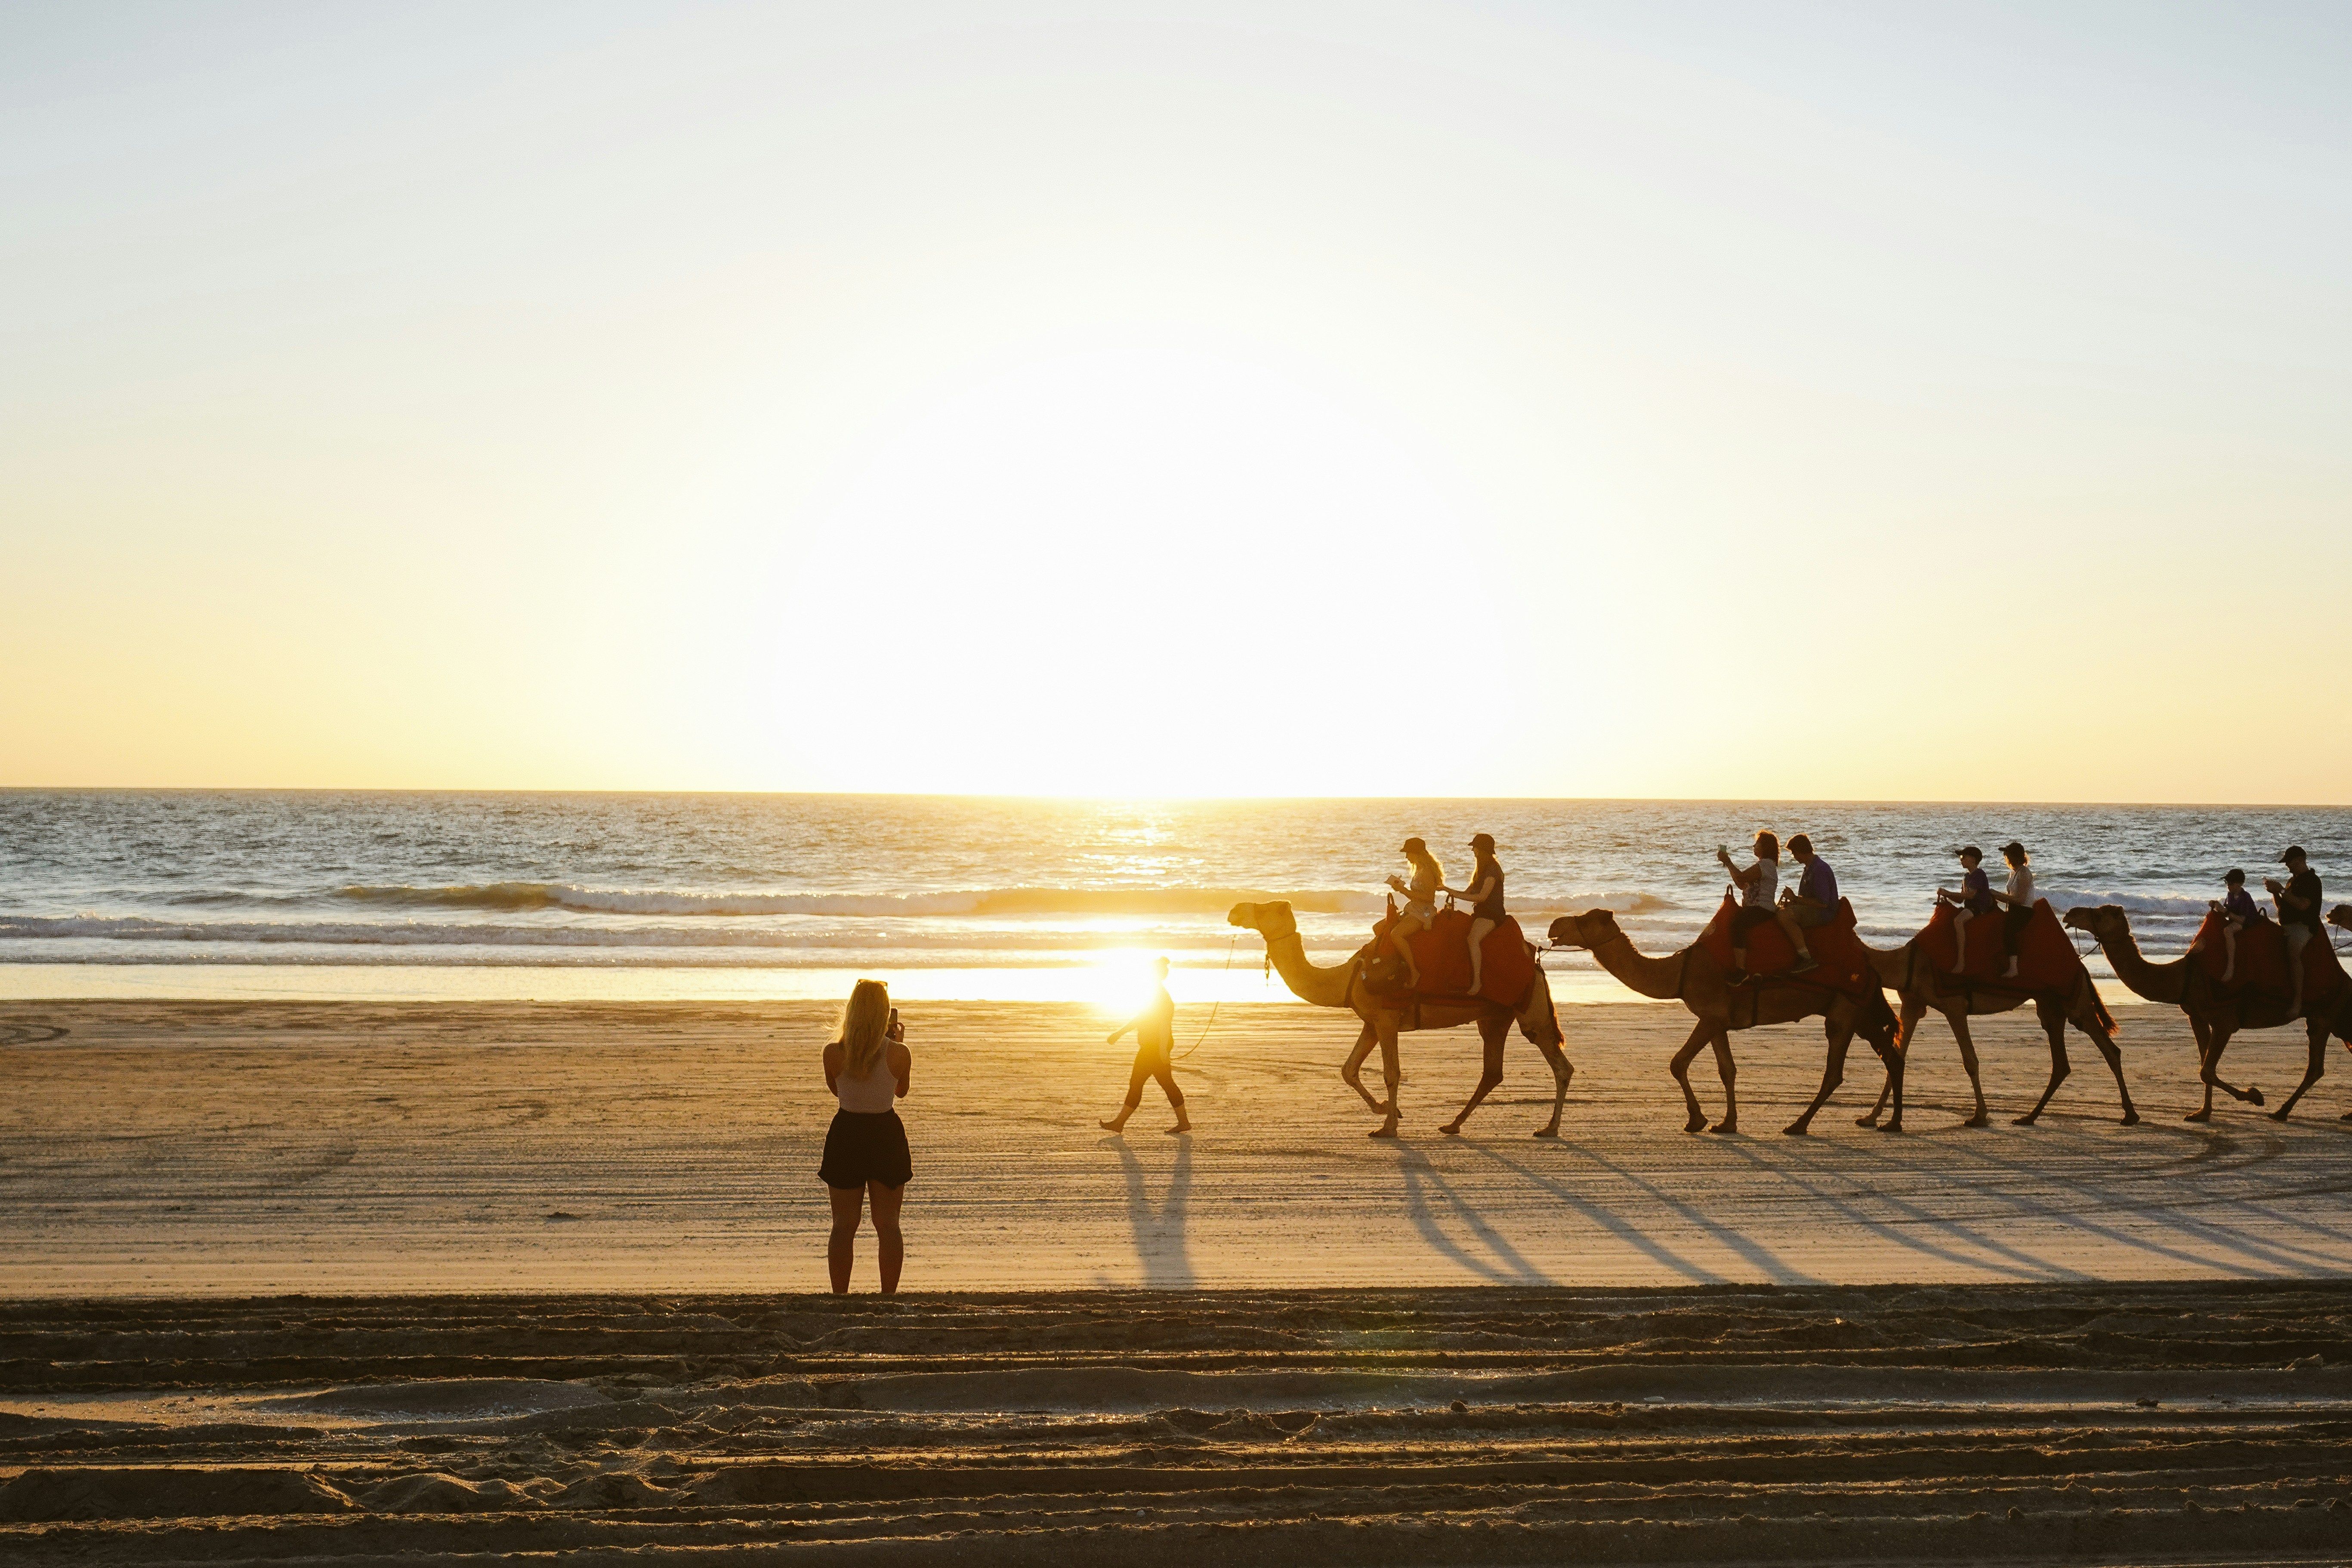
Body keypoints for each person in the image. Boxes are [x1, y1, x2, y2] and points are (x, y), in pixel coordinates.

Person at [820, 979, 912, 1295]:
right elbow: (901, 1092)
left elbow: (839, 1092)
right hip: (884, 1133)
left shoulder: (833, 1053)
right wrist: (896, 1042)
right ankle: (888, 1297)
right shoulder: (899, 1053)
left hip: (847, 1133)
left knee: (844, 1226)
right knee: (888, 1225)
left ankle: (840, 1297)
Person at [1101, 955, 1190, 1135]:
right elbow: (1141, 1018)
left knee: (1138, 1084)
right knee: (1166, 1084)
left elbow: (1165, 1025)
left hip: (1154, 1048)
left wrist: (1163, 1051)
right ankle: (1184, 1122)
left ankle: (1119, 1123)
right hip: (1153, 1046)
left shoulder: (1162, 997)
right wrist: (1120, 1033)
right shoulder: (1153, 993)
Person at [1714, 830, 1781, 985]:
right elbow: (1741, 884)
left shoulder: (1766, 865)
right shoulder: (1764, 865)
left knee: (1738, 925)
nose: (1754, 846)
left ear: (1765, 847)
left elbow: (1742, 878)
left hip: (1762, 908)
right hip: (1754, 908)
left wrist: (1729, 862)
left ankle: (1741, 970)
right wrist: (1729, 864)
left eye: (1757, 844)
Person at [2265, 846, 2324, 1018]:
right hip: (2287, 924)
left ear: (2299, 860)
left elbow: (2303, 906)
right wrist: (2276, 893)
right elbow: (2283, 906)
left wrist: (2282, 890)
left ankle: (2297, 1002)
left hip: (2303, 926)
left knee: (2293, 952)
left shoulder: (2312, 880)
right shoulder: (2293, 881)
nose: (2287, 866)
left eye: (2289, 862)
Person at [1448, 832, 1507, 995]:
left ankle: (1477, 982)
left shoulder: (1493, 870)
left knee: (1472, 939)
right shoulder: (1481, 870)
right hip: (1481, 913)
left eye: (1475, 848)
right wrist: (1447, 890)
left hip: (1492, 914)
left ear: (1482, 850)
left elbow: (1482, 897)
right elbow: (1468, 893)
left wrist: (1451, 892)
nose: (1473, 851)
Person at [1383, 837, 1445, 988]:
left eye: (1408, 853)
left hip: (1424, 912)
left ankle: (1414, 971)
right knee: (1384, 927)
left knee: (1396, 934)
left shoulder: (1428, 872)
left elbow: (1429, 898)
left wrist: (1403, 891)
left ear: (1416, 854)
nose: (1406, 857)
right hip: (1414, 908)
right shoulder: (1419, 869)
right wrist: (1402, 889)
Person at [1775, 833, 1833, 972]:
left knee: (1785, 916)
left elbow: (1823, 903)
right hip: (1813, 909)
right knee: (1780, 910)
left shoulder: (1820, 869)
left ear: (1802, 851)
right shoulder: (1810, 867)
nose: (1794, 857)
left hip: (1824, 913)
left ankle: (1806, 957)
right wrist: (1794, 902)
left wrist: (1795, 899)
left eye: (1794, 853)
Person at [1938, 845, 1997, 972]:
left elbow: (1971, 895)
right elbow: (1961, 899)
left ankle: (1961, 960)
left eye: (1963, 857)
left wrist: (1948, 893)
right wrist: (1946, 896)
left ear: (1973, 859)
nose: (1961, 859)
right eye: (1961, 857)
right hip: (1969, 907)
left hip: (1979, 907)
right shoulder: (1967, 877)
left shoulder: (1979, 874)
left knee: (1958, 921)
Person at [2199, 868, 2263, 984]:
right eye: (2227, 883)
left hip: (2249, 922)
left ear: (2240, 884)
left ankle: (2231, 965)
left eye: (2231, 883)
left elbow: (2243, 920)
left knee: (2228, 931)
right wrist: (2217, 905)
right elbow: (2227, 909)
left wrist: (2225, 912)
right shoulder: (2230, 895)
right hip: (2236, 919)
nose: (2229, 886)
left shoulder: (2245, 897)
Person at [1987, 840, 2036, 981]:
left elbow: (2020, 900)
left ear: (2015, 857)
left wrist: (1997, 894)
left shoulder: (2024, 873)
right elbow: (2010, 898)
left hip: (2023, 911)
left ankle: (2014, 969)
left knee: (2009, 931)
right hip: (2014, 909)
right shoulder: (2013, 873)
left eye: (2007, 855)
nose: (2006, 858)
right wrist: (1994, 896)